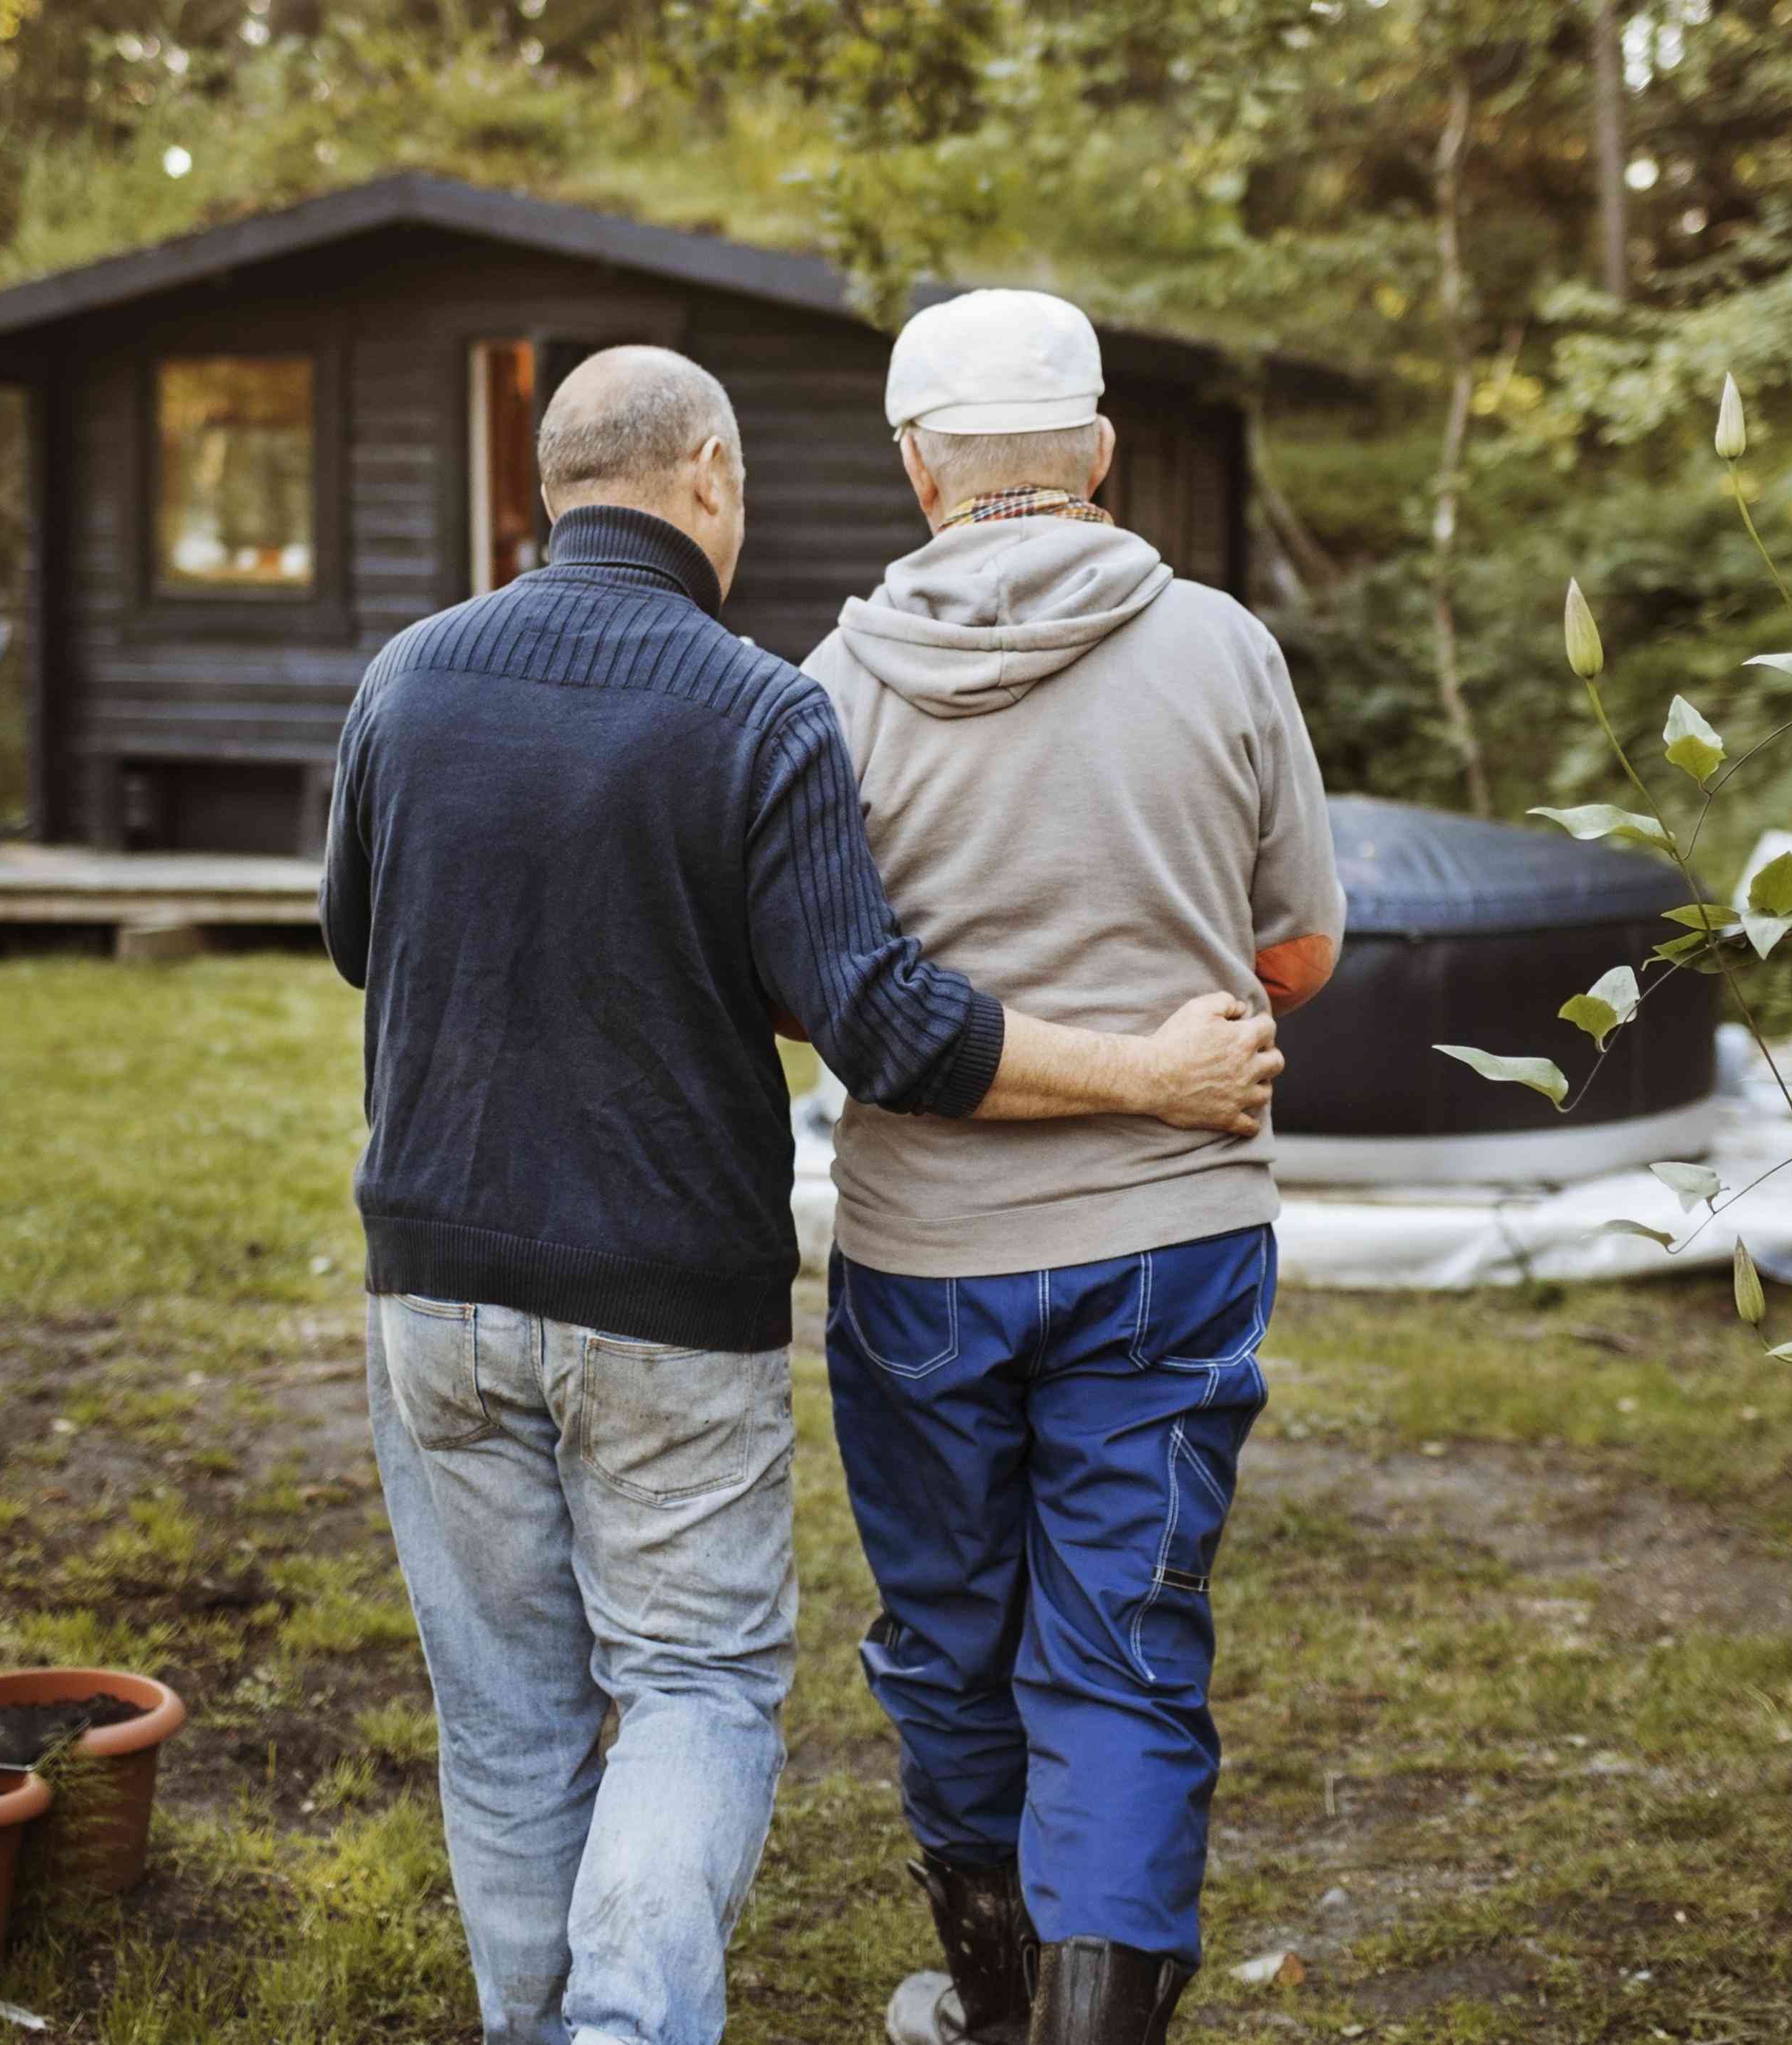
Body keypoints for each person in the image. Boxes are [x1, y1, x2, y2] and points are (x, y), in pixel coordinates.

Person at [316, 344, 1284, 2045]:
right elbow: (883, 1022)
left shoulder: (406, 678)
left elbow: (352, 936)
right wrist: (1148, 1073)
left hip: (432, 1280)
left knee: (509, 1722)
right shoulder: (756, 706)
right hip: (662, 1299)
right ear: (706, 478)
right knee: (690, 1686)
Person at [799, 291, 1347, 2045]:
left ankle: (989, 1999)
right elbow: (1300, 953)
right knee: (1121, 1641)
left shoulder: (823, 698)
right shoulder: (1222, 651)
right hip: (1170, 1237)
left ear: (914, 468)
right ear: (1099, 449)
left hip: (921, 1252)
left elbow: (827, 1002)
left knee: (950, 1631)